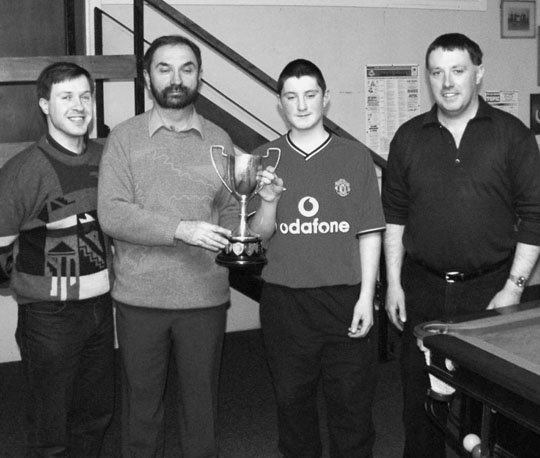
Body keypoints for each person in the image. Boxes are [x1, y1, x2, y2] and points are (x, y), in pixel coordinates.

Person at [97, 35, 280, 458]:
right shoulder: (123, 138)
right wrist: (182, 229)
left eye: (187, 68)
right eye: (164, 68)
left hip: (204, 298)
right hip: (140, 299)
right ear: (147, 78)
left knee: (201, 411)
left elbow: (234, 216)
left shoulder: (219, 139)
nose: (176, 78)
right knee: (142, 411)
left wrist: (263, 210)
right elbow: (112, 214)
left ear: (200, 77)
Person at [382, 33, 540, 458]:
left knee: (486, 412)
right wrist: (393, 283)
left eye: (458, 71)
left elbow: (535, 216)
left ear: (478, 73)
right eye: (437, 72)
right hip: (422, 289)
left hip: (488, 293)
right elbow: (394, 216)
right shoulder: (408, 137)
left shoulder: (512, 135)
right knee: (420, 409)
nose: (447, 82)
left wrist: (514, 288)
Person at [250, 59, 385, 458]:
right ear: (280, 103)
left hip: (345, 299)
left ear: (325, 99)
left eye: (310, 95)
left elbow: (369, 231)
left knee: (352, 407)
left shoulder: (354, 156)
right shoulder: (265, 157)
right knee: (293, 406)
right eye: (291, 96)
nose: (302, 105)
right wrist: (269, 202)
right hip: (285, 303)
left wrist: (367, 297)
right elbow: (257, 237)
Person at [0, 62, 115, 458]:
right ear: (45, 105)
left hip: (101, 308)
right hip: (50, 318)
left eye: (85, 96)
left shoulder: (106, 156)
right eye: (66, 97)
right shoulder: (23, 170)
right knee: (51, 427)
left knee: (95, 414)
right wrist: (30, 285)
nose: (79, 106)